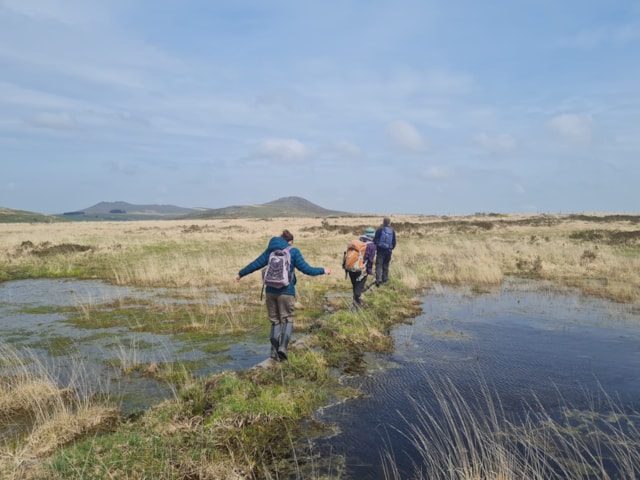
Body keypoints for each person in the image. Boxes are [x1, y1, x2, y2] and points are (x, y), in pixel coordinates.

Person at [235, 229, 331, 362]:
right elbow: (308, 270)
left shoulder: (270, 250)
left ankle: (274, 352)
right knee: (288, 319)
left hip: (270, 291)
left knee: (274, 321)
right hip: (286, 291)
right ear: (290, 242)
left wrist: (241, 274)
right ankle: (283, 348)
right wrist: (323, 270)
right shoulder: (293, 251)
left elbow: (255, 264)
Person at [348, 227, 377, 311]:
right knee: (359, 288)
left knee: (355, 286)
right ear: (372, 236)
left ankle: (355, 304)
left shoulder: (357, 242)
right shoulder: (371, 245)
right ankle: (355, 307)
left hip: (351, 268)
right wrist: (369, 271)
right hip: (361, 269)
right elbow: (370, 260)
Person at [374, 217, 396, 286]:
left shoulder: (379, 230)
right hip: (388, 251)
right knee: (386, 265)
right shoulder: (392, 231)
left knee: (379, 265)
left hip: (380, 250)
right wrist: (391, 248)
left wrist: (377, 247)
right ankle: (385, 280)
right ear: (389, 223)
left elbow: (375, 240)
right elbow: (394, 242)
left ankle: (378, 279)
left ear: (383, 223)